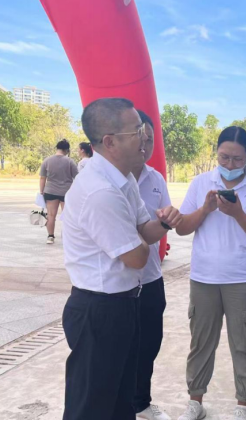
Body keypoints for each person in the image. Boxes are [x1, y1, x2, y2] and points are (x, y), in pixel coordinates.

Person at [61, 98, 182, 421]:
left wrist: (165, 223)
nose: (144, 139)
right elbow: (138, 257)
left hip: (123, 304)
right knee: (91, 408)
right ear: (110, 142)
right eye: (136, 132)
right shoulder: (100, 191)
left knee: (120, 401)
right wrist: (139, 235)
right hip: (98, 310)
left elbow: (147, 232)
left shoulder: (123, 179)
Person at [175, 127, 246, 421]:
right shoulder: (201, 183)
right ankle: (195, 402)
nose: (230, 164)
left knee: (244, 343)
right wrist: (205, 210)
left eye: (237, 159)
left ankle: (243, 405)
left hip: (244, 278)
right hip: (204, 277)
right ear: (216, 153)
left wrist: (238, 214)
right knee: (201, 342)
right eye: (224, 157)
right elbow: (182, 228)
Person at [132, 110, 174, 421]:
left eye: (150, 140)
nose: (145, 146)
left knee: (149, 343)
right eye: (140, 139)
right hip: (116, 284)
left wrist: (167, 221)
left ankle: (141, 402)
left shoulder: (155, 178)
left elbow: (158, 227)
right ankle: (119, 405)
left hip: (150, 278)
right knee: (117, 350)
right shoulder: (106, 179)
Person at [39, 139, 78, 245]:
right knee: (67, 216)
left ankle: (50, 237)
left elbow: (43, 177)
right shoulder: (70, 161)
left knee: (51, 215)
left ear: (57, 148)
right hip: (66, 192)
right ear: (67, 150)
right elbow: (77, 177)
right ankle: (66, 236)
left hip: (50, 190)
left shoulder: (47, 160)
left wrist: (41, 191)